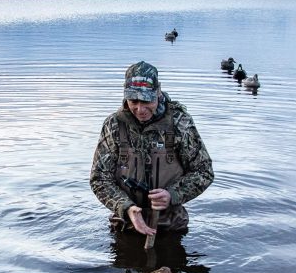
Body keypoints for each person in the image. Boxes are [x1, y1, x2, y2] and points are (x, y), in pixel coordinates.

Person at [90, 61, 213, 235]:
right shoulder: (114, 125)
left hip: (171, 227)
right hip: (125, 226)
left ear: (158, 91)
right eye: (133, 101)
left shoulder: (179, 122)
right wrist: (126, 208)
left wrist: (172, 195)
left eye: (147, 101)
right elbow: (99, 179)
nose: (140, 109)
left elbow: (204, 171)